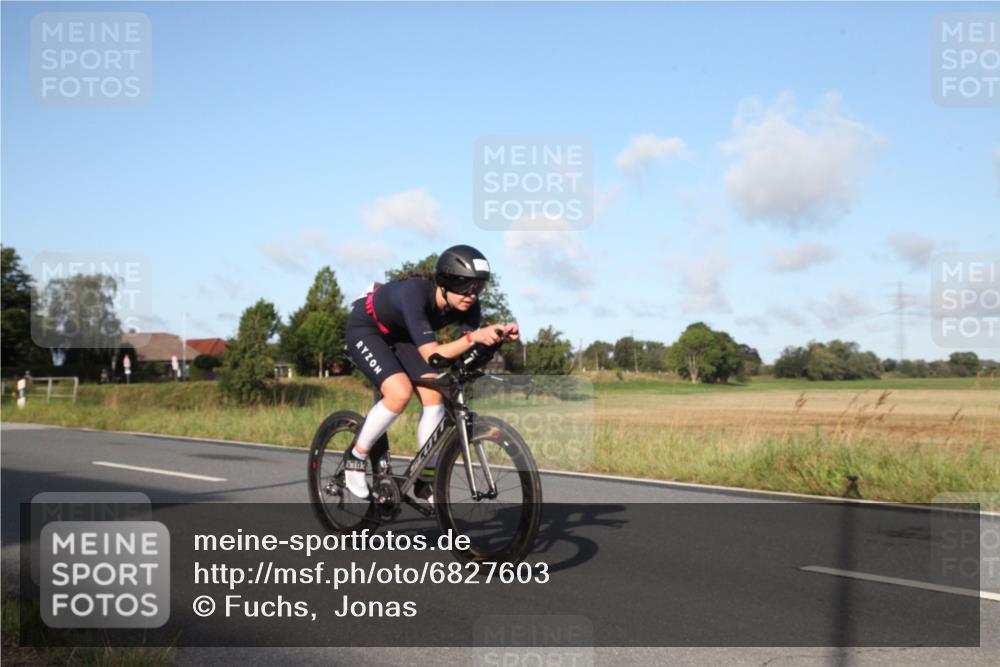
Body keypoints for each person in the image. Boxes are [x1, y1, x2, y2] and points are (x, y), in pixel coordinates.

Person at [343, 244, 519, 502]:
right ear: (444, 283)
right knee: (399, 393)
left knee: (434, 395)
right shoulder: (415, 293)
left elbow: (462, 354)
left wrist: (495, 339)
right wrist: (474, 336)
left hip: (402, 337)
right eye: (464, 286)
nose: (471, 294)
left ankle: (425, 477)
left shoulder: (470, 305)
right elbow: (433, 355)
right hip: (368, 328)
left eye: (478, 287)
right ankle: (356, 457)